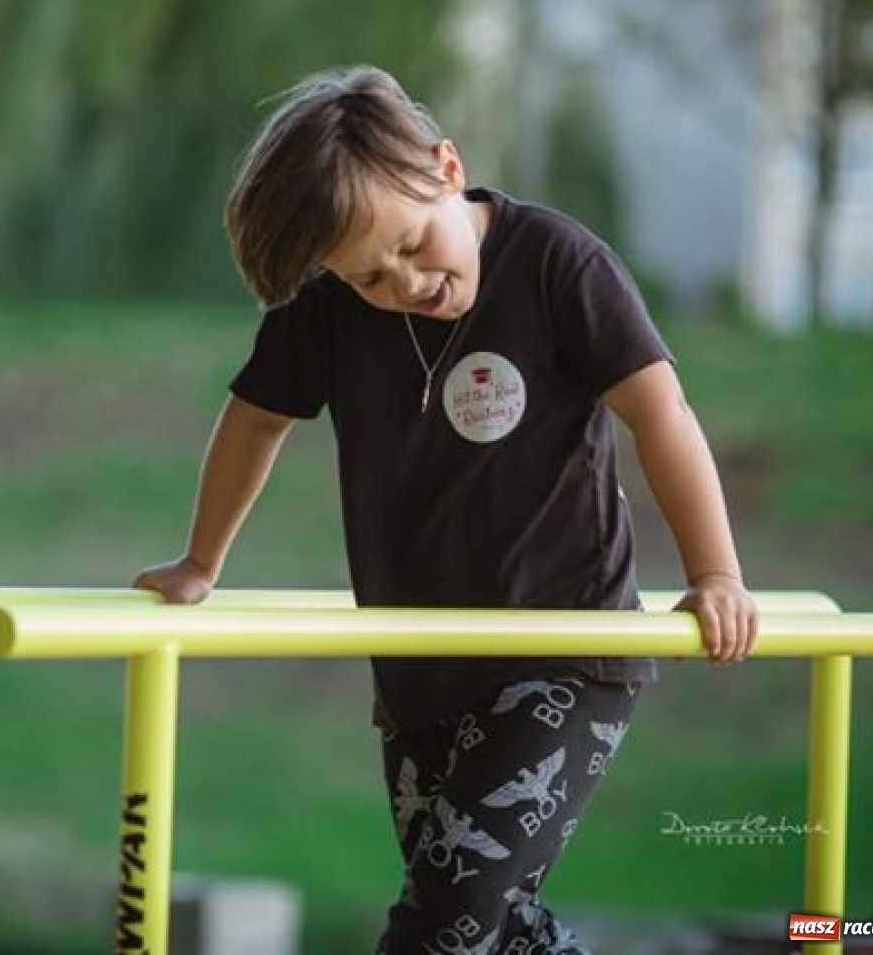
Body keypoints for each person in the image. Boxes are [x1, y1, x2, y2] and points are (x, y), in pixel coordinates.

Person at [134, 66, 758, 954]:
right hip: (420, 669)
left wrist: (716, 574)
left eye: (414, 243)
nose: (404, 282)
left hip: (563, 654)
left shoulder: (554, 264)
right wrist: (201, 563)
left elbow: (661, 413)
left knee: (439, 932)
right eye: (368, 276)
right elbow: (256, 419)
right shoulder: (330, 312)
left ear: (446, 167)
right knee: (500, 931)